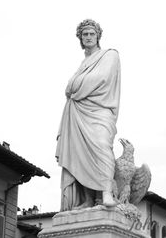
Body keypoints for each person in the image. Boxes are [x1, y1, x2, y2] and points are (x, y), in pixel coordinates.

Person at [55, 19, 121, 211]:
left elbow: (100, 78)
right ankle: (89, 200)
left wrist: (74, 85)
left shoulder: (110, 55)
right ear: (80, 39)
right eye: (85, 34)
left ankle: (107, 191)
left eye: (92, 34)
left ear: (98, 36)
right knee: (79, 153)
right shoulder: (84, 63)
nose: (89, 37)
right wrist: (74, 85)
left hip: (101, 110)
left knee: (101, 146)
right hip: (78, 112)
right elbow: (73, 85)